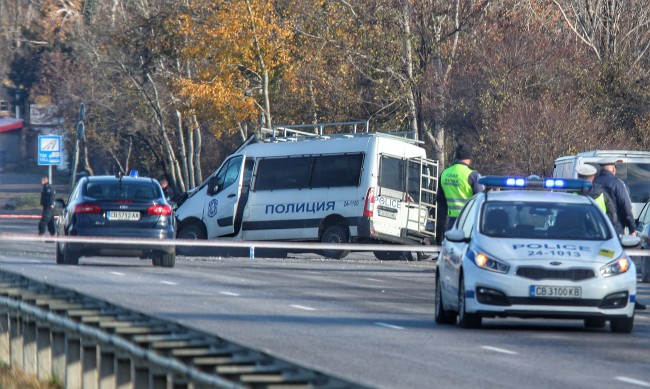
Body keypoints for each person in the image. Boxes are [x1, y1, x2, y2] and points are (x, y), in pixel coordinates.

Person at [436, 144, 484, 240]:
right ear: (469, 158)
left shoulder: (445, 173)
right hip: (469, 223)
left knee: (451, 250)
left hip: (451, 223)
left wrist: (439, 233)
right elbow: (481, 200)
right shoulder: (472, 174)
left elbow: (441, 205)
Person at [592, 157, 636, 236]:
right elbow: (626, 206)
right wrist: (632, 228)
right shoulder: (618, 184)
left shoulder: (593, 182)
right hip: (615, 229)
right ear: (613, 169)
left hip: (595, 228)